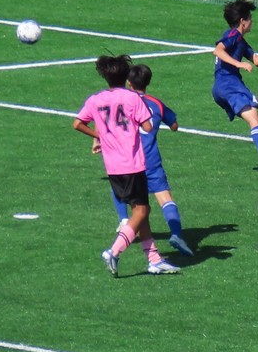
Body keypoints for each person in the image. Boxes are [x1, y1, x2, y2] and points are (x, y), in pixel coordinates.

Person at [73, 54, 180, 276]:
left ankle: (154, 259)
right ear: (126, 78)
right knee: (143, 210)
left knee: (140, 210)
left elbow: (77, 123)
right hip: (132, 163)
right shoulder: (133, 99)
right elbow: (147, 126)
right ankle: (114, 251)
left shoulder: (95, 99)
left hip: (112, 166)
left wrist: (100, 135)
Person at [107, 64, 194, 256]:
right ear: (148, 82)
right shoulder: (156, 103)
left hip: (128, 159)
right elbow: (174, 125)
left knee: (121, 188)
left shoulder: (122, 102)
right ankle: (176, 234)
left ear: (128, 82)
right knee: (165, 198)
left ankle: (124, 220)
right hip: (151, 159)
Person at [212, 0, 258, 175]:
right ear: (242, 22)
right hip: (229, 85)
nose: (252, 21)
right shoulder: (232, 35)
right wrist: (238, 64)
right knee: (255, 118)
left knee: (256, 117)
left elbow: (256, 60)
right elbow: (218, 50)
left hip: (226, 86)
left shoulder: (240, 40)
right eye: (250, 18)